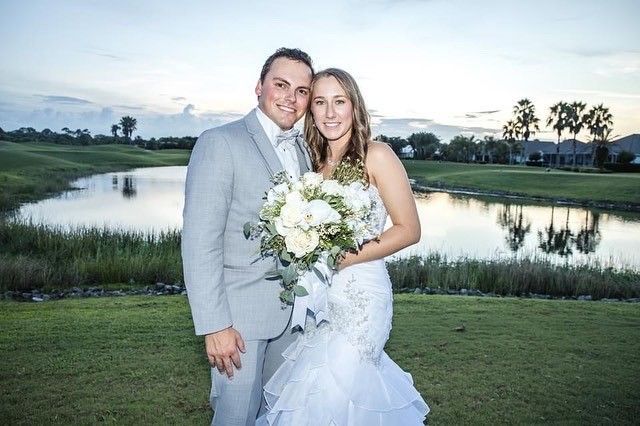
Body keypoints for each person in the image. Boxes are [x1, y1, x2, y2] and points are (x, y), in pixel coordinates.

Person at [258, 68, 430, 424]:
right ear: (310, 109)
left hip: (362, 298)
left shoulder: (377, 155)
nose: (330, 112)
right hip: (321, 299)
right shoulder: (314, 166)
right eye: (320, 102)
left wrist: (343, 258)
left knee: (339, 389)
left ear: (355, 107)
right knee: (312, 391)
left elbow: (409, 229)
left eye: (339, 101)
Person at [181, 48, 314, 426]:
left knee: (279, 417)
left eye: (302, 90)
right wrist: (214, 325)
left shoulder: (302, 150)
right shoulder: (219, 142)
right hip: (238, 323)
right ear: (259, 87)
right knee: (235, 418)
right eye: (281, 84)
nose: (291, 97)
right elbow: (198, 242)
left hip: (294, 319)